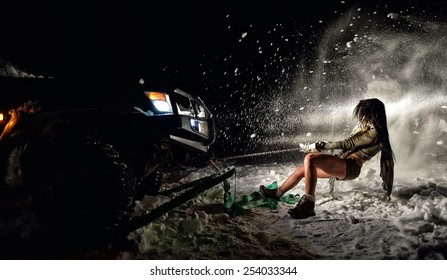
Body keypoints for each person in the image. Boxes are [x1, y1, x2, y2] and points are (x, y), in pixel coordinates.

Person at [260, 98, 395, 219]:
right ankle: (276, 194)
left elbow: (348, 144)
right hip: (344, 164)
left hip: (350, 167)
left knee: (310, 158)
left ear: (373, 113)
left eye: (364, 113)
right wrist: (318, 146)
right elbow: (345, 145)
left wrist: (321, 146)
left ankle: (308, 204)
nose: (362, 117)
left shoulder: (375, 132)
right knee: (301, 170)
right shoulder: (367, 129)